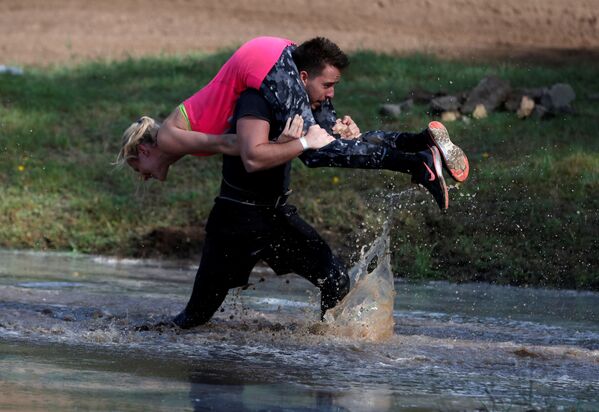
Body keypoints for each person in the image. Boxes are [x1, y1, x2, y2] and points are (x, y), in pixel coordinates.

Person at [117, 36, 469, 211]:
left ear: (147, 148)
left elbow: (235, 146)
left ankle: (418, 165)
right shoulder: (173, 134)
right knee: (333, 136)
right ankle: (420, 141)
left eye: (139, 165)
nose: (144, 174)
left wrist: (286, 142)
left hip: (265, 61)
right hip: (275, 53)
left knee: (314, 151)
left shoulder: (167, 137)